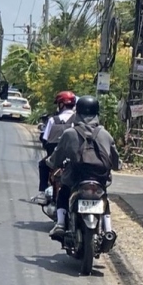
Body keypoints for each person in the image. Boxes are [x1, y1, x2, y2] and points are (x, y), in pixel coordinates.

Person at [45, 96, 120, 239]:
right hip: (100, 178)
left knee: (63, 192)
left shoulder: (69, 133)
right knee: (104, 198)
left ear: (77, 112)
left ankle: (60, 223)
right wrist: (117, 166)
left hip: (75, 178)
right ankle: (109, 228)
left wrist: (51, 163)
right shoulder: (105, 134)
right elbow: (115, 160)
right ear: (97, 113)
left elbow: (57, 156)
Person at [32, 91, 77, 204]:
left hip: (56, 157)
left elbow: (45, 138)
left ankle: (42, 192)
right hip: (73, 158)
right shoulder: (77, 121)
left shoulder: (53, 120)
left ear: (61, 104)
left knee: (43, 165)